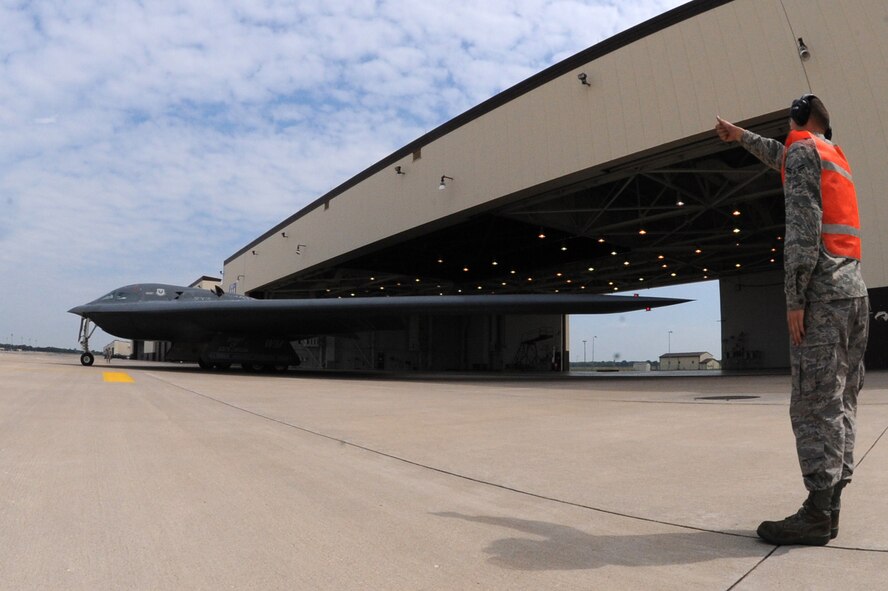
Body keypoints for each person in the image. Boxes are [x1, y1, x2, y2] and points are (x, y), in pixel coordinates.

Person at [715, 94, 869, 546]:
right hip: (854, 295)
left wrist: (794, 298)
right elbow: (779, 155)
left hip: (821, 297)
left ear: (798, 119)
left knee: (812, 405)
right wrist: (741, 136)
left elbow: (803, 225)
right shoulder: (830, 154)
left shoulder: (803, 150)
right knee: (840, 402)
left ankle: (818, 515)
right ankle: (830, 504)